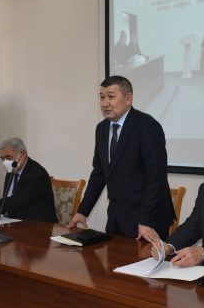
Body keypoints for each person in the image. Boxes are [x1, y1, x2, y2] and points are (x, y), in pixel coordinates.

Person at [67, 75, 175, 239]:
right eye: (102, 97)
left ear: (128, 99)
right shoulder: (102, 129)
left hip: (148, 220)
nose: (105, 103)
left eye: (111, 97)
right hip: (117, 218)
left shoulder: (147, 126)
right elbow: (99, 173)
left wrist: (146, 220)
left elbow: (156, 177)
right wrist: (83, 211)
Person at [0, 137, 57, 222]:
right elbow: (7, 201)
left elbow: (20, 200)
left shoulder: (37, 173)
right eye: (2, 159)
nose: (5, 162)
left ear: (23, 153)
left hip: (39, 225)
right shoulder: (11, 171)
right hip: (14, 222)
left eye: (8, 158)